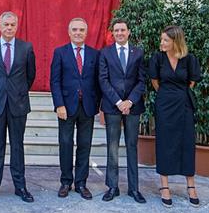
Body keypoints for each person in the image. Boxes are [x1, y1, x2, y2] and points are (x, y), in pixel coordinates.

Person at [0, 11, 36, 203]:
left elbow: (30, 76)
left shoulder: (26, 48)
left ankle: (20, 186)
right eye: (6, 24)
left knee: (17, 146)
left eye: (12, 25)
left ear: (17, 26)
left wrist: (16, 92)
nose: (9, 28)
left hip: (18, 105)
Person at [149, 25, 202, 207]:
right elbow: (155, 81)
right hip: (164, 104)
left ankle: (191, 185)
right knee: (164, 142)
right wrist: (167, 94)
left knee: (187, 142)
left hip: (184, 104)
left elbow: (192, 81)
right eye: (162, 39)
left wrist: (180, 94)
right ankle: (164, 186)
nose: (161, 43)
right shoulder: (157, 58)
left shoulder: (189, 59)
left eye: (165, 40)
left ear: (175, 41)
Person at [49, 17, 100, 200]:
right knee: (66, 144)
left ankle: (81, 183)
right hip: (66, 107)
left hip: (87, 107)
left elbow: (98, 82)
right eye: (75, 30)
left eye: (81, 30)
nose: (78, 33)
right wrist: (59, 104)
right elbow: (54, 81)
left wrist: (99, 105)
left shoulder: (95, 54)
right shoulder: (60, 52)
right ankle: (65, 181)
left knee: (84, 145)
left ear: (86, 33)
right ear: (69, 32)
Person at [98, 19, 147, 203]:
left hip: (133, 108)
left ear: (129, 32)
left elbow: (142, 81)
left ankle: (134, 189)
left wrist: (130, 102)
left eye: (123, 30)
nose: (119, 33)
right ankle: (112, 187)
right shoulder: (105, 53)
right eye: (116, 30)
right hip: (112, 106)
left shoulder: (139, 53)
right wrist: (119, 102)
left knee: (132, 147)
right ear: (113, 33)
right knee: (112, 147)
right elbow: (103, 80)